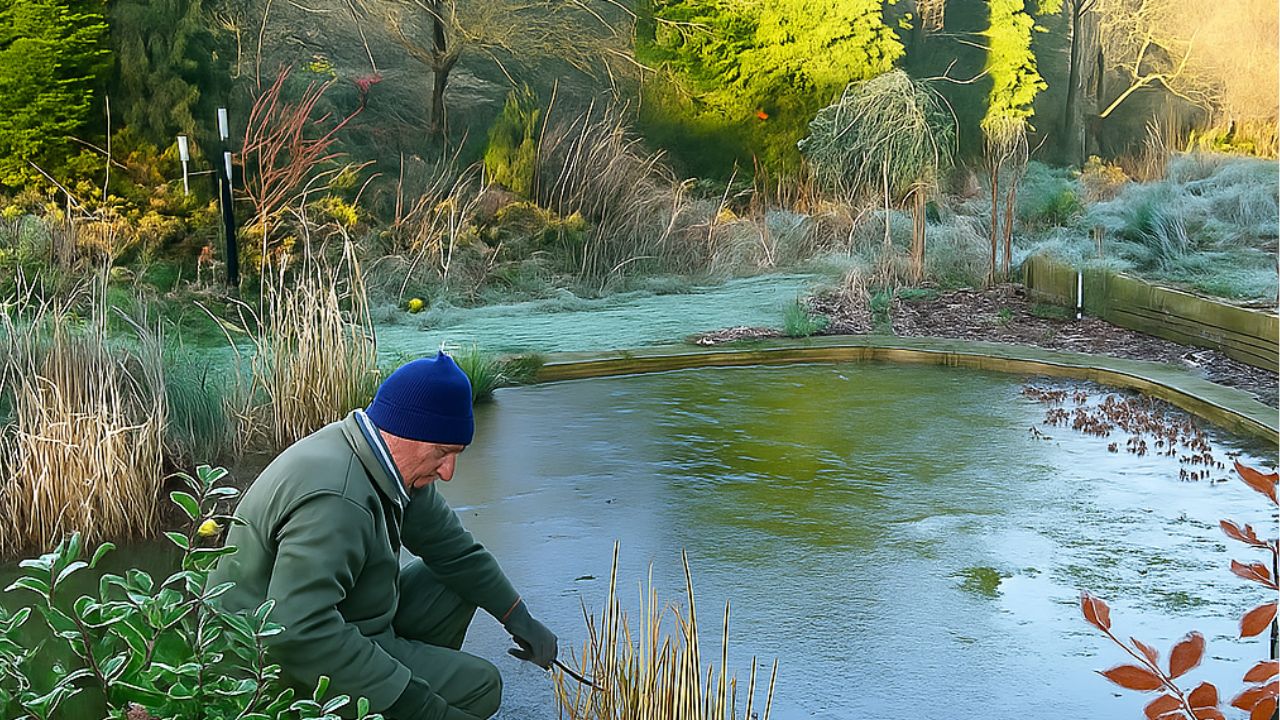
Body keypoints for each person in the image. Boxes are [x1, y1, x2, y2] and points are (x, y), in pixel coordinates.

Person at [210, 352, 557, 720]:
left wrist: (520, 619)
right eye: (442, 452)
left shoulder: (384, 461)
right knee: (480, 686)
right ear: (405, 432)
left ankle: (390, 684)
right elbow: (299, 629)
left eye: (457, 454)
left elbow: (456, 553)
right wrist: (418, 704)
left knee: (451, 580)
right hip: (269, 667)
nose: (450, 471)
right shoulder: (338, 498)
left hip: (345, 621)